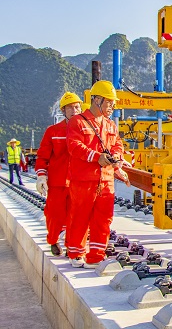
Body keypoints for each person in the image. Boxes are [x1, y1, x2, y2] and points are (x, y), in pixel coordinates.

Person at [66, 81, 124, 269]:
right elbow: (74, 146)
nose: (112, 106)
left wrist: (117, 156)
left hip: (106, 180)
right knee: (80, 217)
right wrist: (96, 157)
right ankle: (76, 253)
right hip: (84, 180)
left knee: (103, 219)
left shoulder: (110, 125)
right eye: (109, 102)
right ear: (97, 100)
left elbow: (118, 145)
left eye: (113, 103)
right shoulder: (78, 122)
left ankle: (96, 256)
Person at [35, 92, 82, 256]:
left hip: (78, 181)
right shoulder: (53, 131)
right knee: (54, 214)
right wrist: (41, 176)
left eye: (77, 107)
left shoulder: (86, 131)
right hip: (57, 182)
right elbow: (42, 156)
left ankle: (72, 245)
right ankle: (53, 240)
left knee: (76, 216)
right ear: (63, 110)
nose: (74, 110)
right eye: (70, 108)